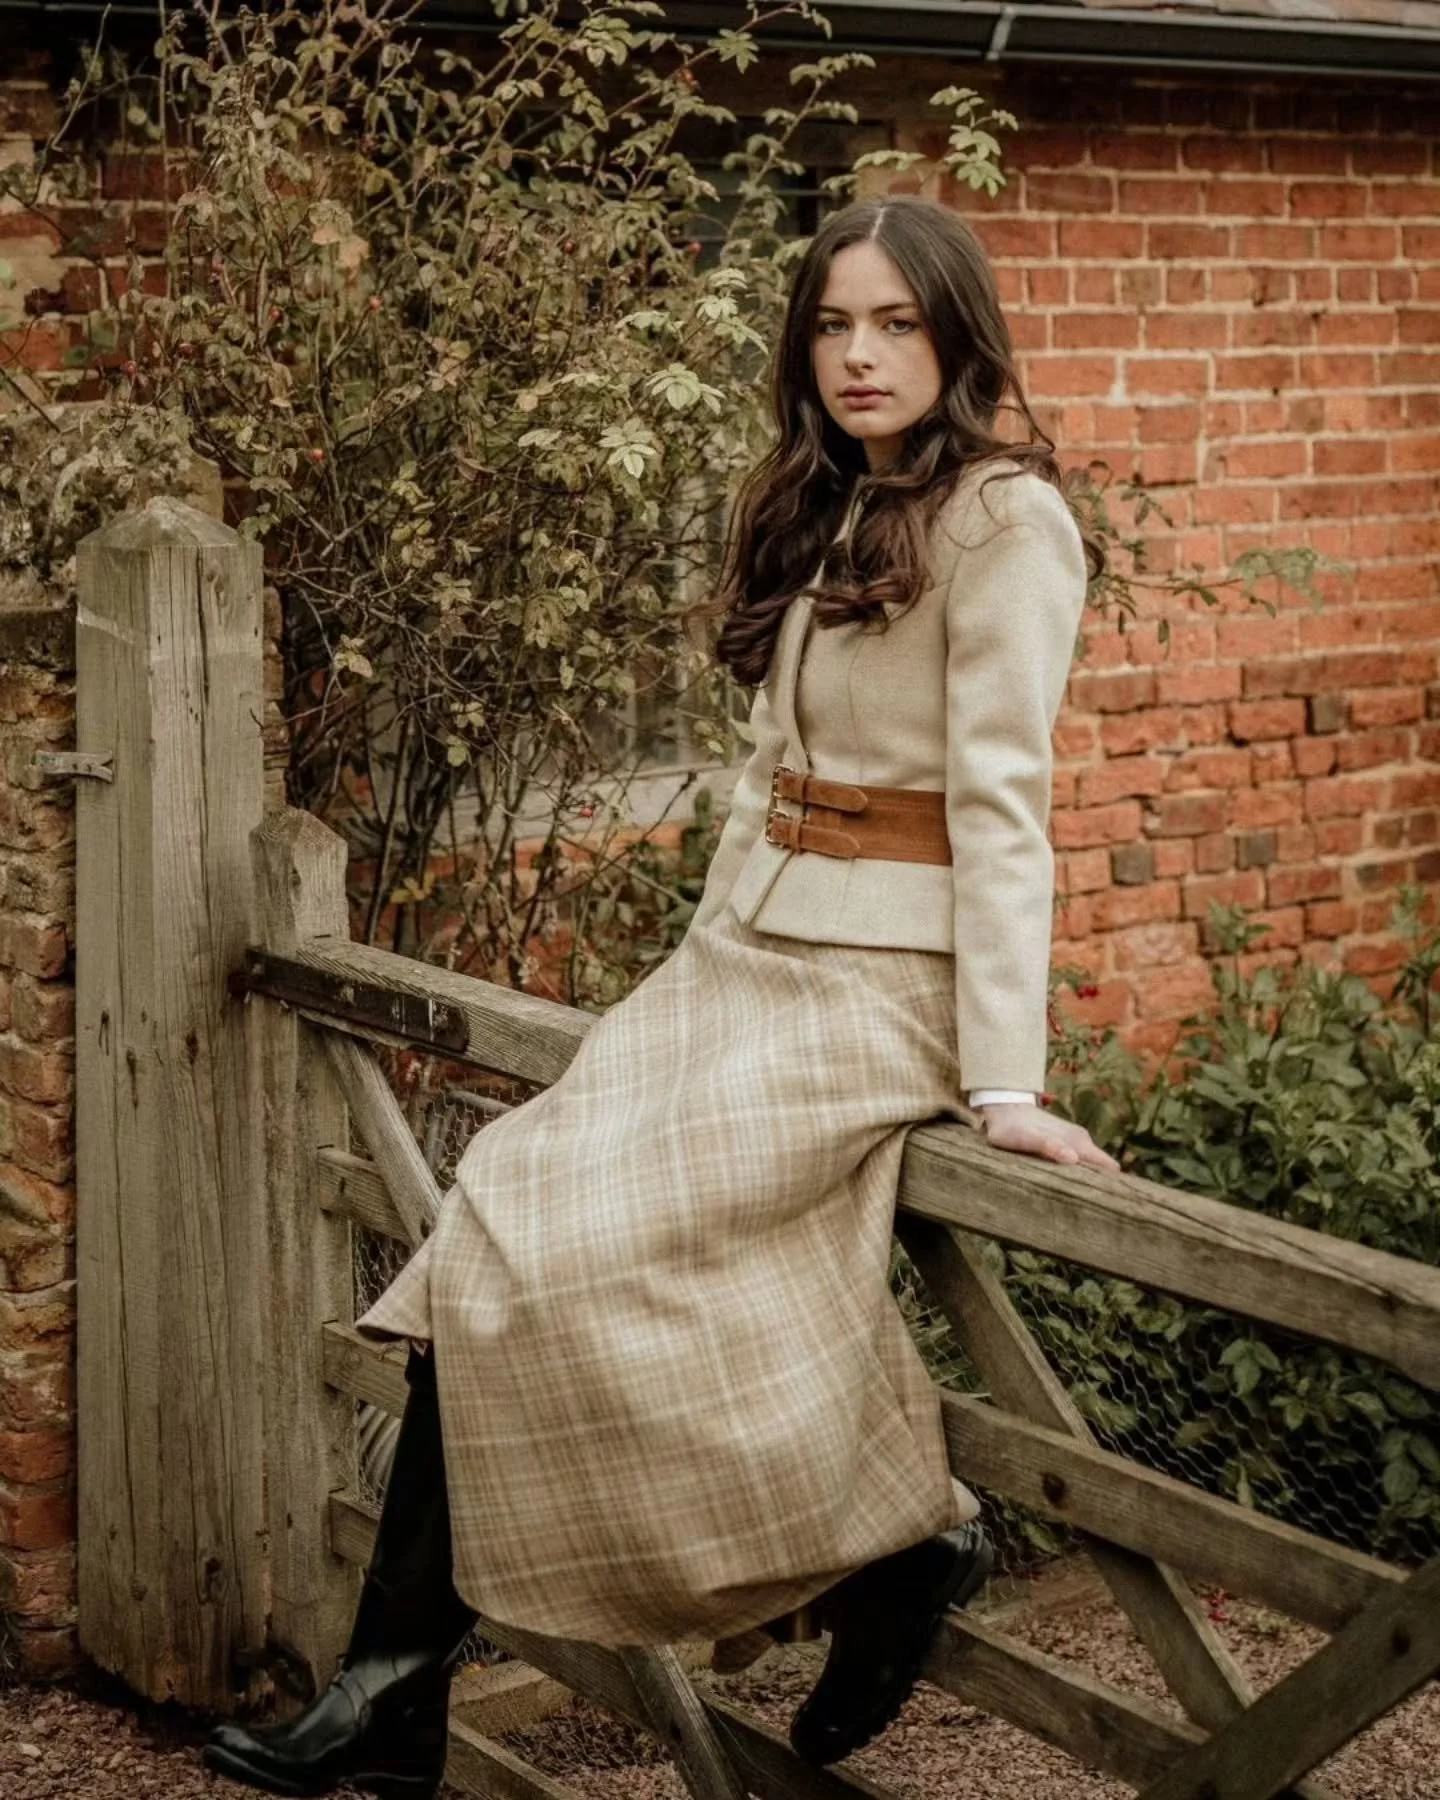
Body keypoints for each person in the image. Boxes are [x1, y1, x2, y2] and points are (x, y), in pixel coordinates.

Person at [205, 193, 1119, 1799]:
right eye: (834, 324)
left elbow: (1004, 806)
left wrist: (1006, 1087)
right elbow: (776, 773)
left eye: (897, 323)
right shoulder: (830, 498)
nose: (860, 354)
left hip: (885, 986)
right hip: (740, 959)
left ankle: (902, 1549)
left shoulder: (1007, 522)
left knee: (587, 1247)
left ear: (957, 334)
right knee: (499, 1206)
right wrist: (698, 964)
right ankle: (393, 1688)